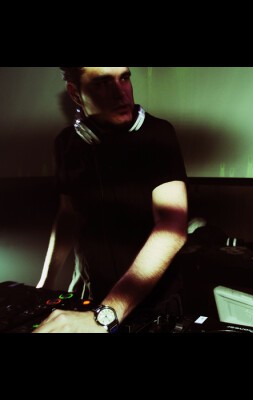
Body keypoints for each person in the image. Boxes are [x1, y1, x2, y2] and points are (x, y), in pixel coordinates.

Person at [34, 67, 188, 333]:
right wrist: (44, 283)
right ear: (75, 94)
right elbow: (68, 215)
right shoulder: (67, 143)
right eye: (103, 83)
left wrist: (105, 316)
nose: (121, 93)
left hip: (153, 305)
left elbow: (172, 227)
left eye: (124, 77)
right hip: (89, 295)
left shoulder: (158, 134)